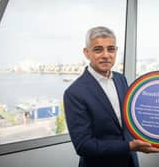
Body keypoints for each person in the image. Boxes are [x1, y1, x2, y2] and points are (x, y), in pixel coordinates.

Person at [63, 26, 159, 167]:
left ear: (116, 51)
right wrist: (130, 146)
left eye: (111, 49)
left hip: (130, 162)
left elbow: (132, 118)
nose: (106, 55)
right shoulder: (74, 93)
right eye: (98, 49)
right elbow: (83, 146)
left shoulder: (121, 79)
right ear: (86, 52)